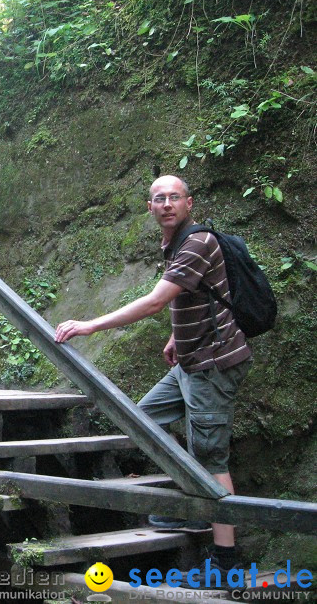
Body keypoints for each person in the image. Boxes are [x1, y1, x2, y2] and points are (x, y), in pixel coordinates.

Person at [54, 175, 251, 579]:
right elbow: (202, 294)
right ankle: (195, 505)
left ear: (188, 203)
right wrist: (177, 336)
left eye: (174, 197)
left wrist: (90, 325)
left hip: (213, 367)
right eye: (159, 198)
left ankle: (226, 555)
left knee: (212, 457)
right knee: (142, 420)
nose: (166, 204)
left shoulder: (196, 243)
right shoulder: (175, 241)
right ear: (150, 207)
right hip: (189, 363)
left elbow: (157, 300)